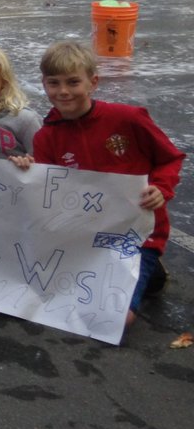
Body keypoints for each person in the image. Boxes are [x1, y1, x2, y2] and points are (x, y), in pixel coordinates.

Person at [25, 41, 184, 327]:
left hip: (136, 237)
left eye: (73, 82)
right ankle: (145, 277)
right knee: (40, 292)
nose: (63, 91)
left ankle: (146, 268)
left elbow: (170, 159)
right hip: (83, 236)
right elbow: (49, 191)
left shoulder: (128, 119)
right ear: (44, 84)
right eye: (54, 83)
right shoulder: (46, 138)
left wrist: (161, 187)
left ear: (93, 82)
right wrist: (24, 169)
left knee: (114, 320)